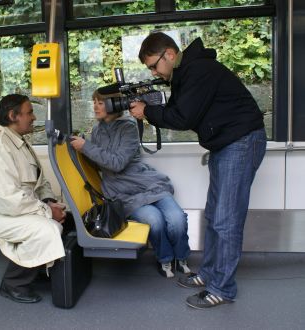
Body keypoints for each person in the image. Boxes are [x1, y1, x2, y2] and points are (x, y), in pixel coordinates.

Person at [130, 32, 267, 309]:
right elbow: (181, 108)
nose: (154, 72)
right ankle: (208, 274)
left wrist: (147, 112)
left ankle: (222, 288)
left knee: (226, 221)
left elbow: (182, 117)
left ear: (169, 54)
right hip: (226, 145)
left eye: (154, 66)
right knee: (215, 216)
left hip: (239, 143)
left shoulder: (198, 70)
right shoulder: (187, 72)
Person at [70, 89, 191, 278]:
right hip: (122, 192)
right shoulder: (97, 130)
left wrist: (86, 147)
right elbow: (99, 164)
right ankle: (165, 259)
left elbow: (116, 163)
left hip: (147, 184)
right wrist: (82, 148)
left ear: (113, 105)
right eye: (93, 101)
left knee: (177, 220)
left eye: (100, 102)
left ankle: (181, 256)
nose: (95, 106)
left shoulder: (128, 127)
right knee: (155, 221)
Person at [0, 94, 67, 303]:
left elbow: (40, 181)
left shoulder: (18, 142)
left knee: (66, 216)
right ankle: (13, 284)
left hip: (9, 207)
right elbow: (6, 200)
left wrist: (48, 202)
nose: (34, 117)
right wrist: (47, 213)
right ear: (13, 115)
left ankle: (35, 266)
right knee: (46, 228)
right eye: (29, 113)